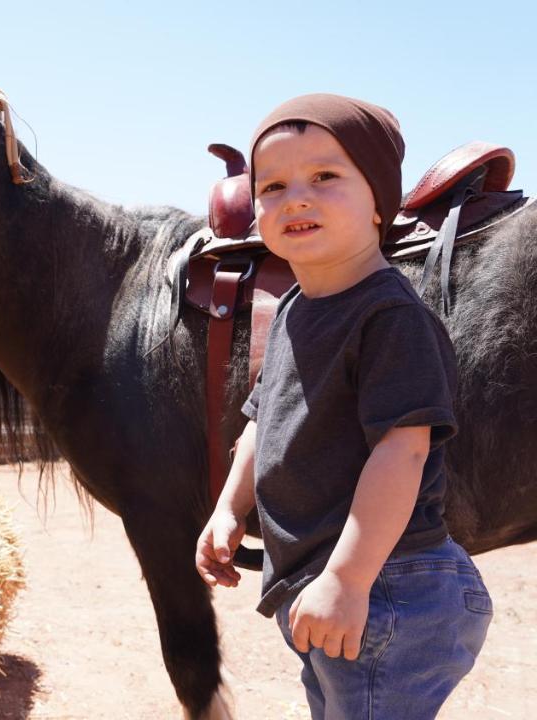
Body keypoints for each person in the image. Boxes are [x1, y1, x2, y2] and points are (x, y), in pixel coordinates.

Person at [195, 93, 492, 719]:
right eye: (272, 186)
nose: (295, 197)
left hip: (387, 583)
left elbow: (403, 450)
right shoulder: (296, 312)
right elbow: (260, 422)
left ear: (379, 202)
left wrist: (349, 579)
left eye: (325, 176)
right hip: (333, 584)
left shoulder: (388, 316)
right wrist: (229, 508)